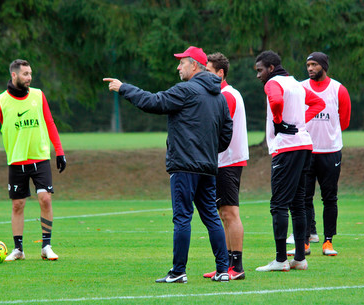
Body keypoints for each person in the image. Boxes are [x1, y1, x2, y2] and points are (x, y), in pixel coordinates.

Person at [104, 46, 233, 283]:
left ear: (194, 65)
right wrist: (207, 151)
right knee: (211, 218)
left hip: (184, 166)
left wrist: (124, 88)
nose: (178, 67)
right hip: (207, 166)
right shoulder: (219, 97)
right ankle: (223, 269)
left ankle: (178, 271)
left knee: (182, 217)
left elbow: (153, 102)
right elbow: (226, 136)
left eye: (181, 62)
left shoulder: (186, 90)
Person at [0, 59, 66, 261]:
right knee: (18, 205)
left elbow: (50, 123)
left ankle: (46, 246)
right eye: (25, 74)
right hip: (16, 160)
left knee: (45, 198)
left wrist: (59, 152)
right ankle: (18, 250)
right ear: (14, 75)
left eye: (30, 73)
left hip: (40, 157)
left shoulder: (38, 95)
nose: (29, 78)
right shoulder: (0, 101)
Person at [254, 50, 325, 272]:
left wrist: (279, 122)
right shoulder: (296, 83)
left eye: (260, 70)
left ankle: (280, 260)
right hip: (304, 145)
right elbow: (318, 103)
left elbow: (275, 100)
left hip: (287, 148)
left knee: (278, 205)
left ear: (271, 68)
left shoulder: (273, 83)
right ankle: (300, 259)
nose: (258, 75)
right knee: (297, 204)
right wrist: (296, 121)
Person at [287, 52, 351, 257]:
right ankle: (304, 242)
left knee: (330, 198)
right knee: (304, 198)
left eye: (314, 64)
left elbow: (345, 121)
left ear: (324, 66)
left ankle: (328, 242)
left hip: (330, 152)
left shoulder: (338, 89)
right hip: (305, 150)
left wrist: (328, 134)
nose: (310, 68)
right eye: (308, 65)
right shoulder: (301, 88)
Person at [202, 52, 248, 280]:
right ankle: (227, 264)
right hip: (225, 161)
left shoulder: (226, 95)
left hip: (227, 161)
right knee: (224, 214)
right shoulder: (225, 94)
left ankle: (236, 267)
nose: (205, 75)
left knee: (230, 213)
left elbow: (219, 130)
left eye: (208, 71)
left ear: (220, 73)